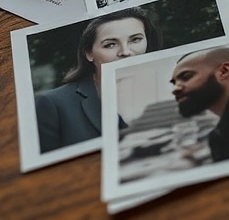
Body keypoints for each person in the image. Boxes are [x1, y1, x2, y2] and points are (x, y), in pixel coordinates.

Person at [35, 9, 163, 153]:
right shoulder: (53, 104)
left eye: (135, 40)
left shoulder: (169, 88)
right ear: (89, 53)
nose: (125, 52)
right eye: (110, 44)